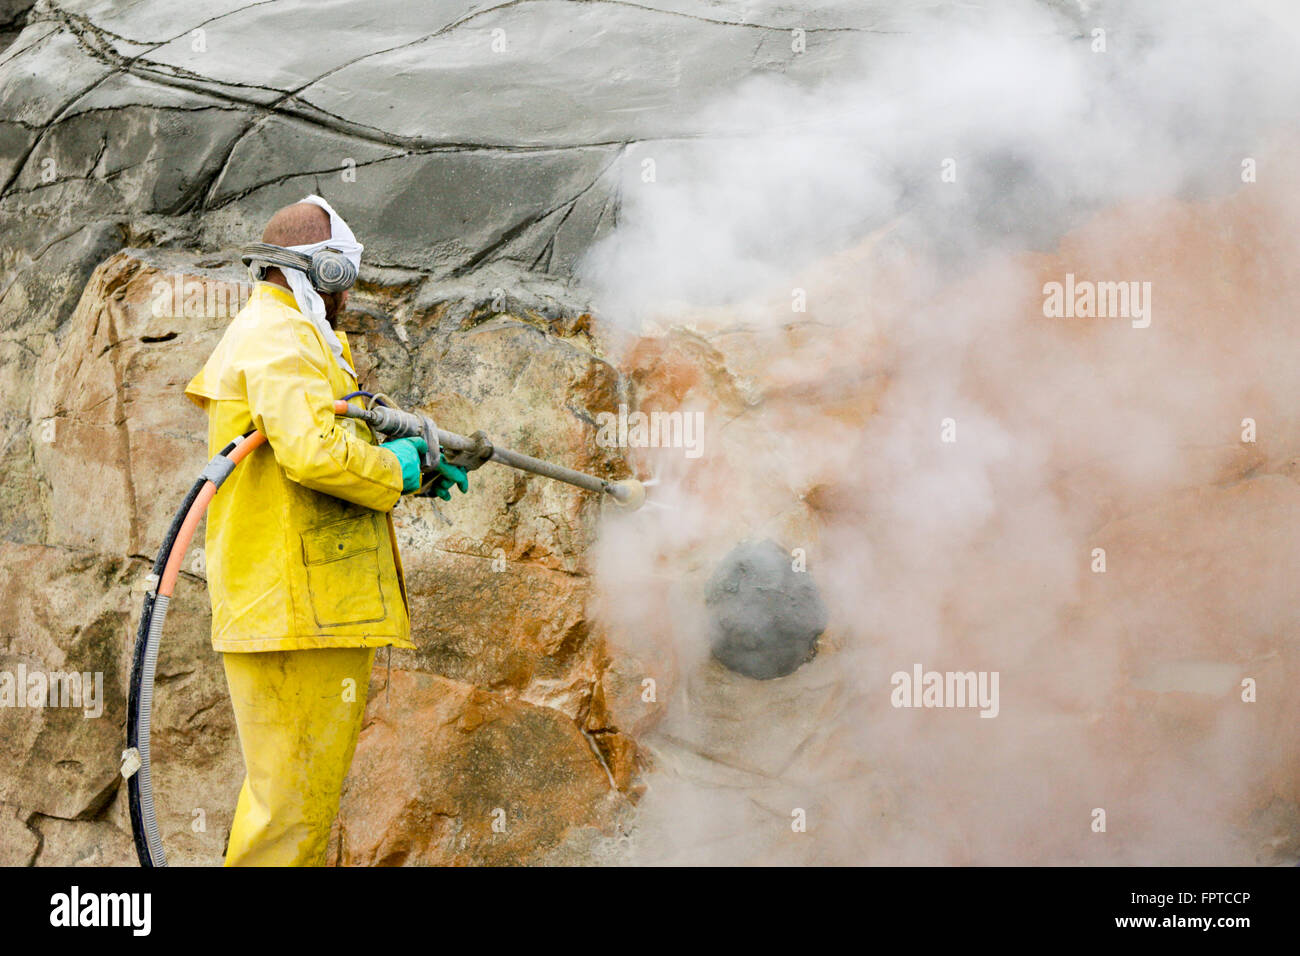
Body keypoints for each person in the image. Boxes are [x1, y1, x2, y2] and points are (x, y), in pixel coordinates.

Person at [183, 195, 466, 865]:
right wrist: (392, 471)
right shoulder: (277, 339)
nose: (351, 295)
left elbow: (317, 442)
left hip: (304, 606)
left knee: (295, 805)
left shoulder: (295, 336)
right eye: (347, 277)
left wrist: (414, 467)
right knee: (291, 813)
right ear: (327, 270)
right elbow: (313, 453)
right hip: (295, 607)